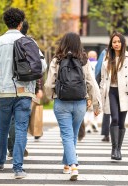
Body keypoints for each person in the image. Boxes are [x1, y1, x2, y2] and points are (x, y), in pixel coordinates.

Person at [0, 8, 47, 179]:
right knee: (20, 129)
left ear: (6, 23)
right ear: (21, 24)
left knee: (3, 129)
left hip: (3, 92)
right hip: (25, 92)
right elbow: (42, 66)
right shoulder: (30, 42)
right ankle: (18, 168)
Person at [44, 32, 101, 181]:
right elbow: (91, 82)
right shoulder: (83, 59)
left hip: (62, 102)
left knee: (67, 135)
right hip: (80, 103)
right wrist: (95, 104)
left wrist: (51, 96)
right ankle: (67, 164)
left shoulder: (57, 59)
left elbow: (49, 82)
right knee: (72, 135)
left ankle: (73, 165)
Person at [99, 32, 128, 160]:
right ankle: (114, 148)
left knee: (122, 121)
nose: (116, 44)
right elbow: (102, 78)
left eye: (118, 42)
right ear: (111, 43)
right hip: (111, 91)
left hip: (125, 92)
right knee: (114, 118)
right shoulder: (106, 58)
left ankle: (119, 150)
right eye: (114, 42)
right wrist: (101, 93)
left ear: (123, 43)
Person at [7, 20, 44, 158]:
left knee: (10, 119)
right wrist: (38, 87)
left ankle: (11, 149)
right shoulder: (30, 43)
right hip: (25, 86)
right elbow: (41, 66)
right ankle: (19, 150)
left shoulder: (1, 41)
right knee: (21, 120)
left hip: (6, 87)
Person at [85, 50, 99, 133]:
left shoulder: (85, 64)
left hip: (88, 89)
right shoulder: (99, 64)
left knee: (88, 109)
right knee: (96, 107)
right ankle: (95, 123)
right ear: (96, 57)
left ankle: (89, 126)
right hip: (96, 89)